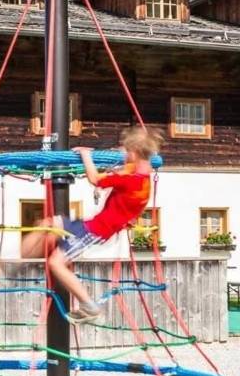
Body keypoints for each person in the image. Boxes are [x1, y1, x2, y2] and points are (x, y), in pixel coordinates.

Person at [20, 127, 164, 324]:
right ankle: (15, 262)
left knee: (56, 262)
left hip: (95, 230)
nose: (123, 154)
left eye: (125, 151)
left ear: (134, 153)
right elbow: (130, 204)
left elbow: (95, 179)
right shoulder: (143, 178)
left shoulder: (130, 178)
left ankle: (89, 306)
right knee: (49, 223)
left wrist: (86, 155)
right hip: (93, 224)